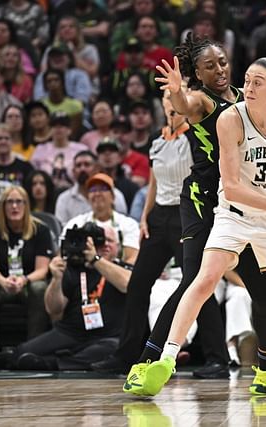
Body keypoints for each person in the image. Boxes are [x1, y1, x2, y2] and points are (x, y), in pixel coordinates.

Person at [102, 35, 266, 379]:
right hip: (207, 200)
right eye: (209, 66)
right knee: (196, 280)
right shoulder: (203, 100)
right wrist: (178, 92)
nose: (220, 70)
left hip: (253, 202)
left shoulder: (247, 99)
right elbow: (184, 106)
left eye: (223, 62)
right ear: (197, 72)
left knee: (264, 293)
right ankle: (151, 361)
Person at [92, 88, 193, 376]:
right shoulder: (156, 140)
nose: (172, 102)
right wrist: (146, 216)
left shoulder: (196, 136)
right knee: (138, 284)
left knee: (194, 285)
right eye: (168, 97)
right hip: (159, 216)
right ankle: (127, 355)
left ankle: (216, 357)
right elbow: (153, 182)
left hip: (185, 213)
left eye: (179, 95)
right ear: (161, 103)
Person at [0, 225, 131, 371]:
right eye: (100, 241)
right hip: (71, 332)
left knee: (112, 350)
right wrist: (56, 279)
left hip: (107, 337)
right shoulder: (73, 269)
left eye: (110, 240)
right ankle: (55, 360)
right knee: (22, 351)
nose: (105, 244)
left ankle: (53, 364)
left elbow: (127, 284)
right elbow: (53, 309)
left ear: (118, 247)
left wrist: (96, 260)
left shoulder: (124, 268)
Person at [0, 186, 52, 366]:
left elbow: (42, 269)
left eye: (19, 202)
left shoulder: (40, 230)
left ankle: (34, 345)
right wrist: (2, 280)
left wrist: (24, 280)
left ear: (27, 205)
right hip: (2, 284)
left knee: (40, 287)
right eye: (9, 202)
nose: (14, 206)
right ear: (2, 206)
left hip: (27, 284)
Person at [61, 173, 139, 265]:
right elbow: (62, 254)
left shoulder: (128, 224)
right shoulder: (77, 222)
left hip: (116, 274)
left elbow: (132, 258)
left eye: (103, 189)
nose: (97, 193)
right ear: (88, 197)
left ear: (113, 197)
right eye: (93, 190)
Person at [54, 150, 129, 224]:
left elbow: (122, 223)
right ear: (73, 171)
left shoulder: (115, 195)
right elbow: (61, 229)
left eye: (87, 165)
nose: (82, 169)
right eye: (78, 165)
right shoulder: (63, 199)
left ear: (97, 169)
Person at [30, 112, 87, 191]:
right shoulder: (40, 149)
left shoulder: (81, 149)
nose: (58, 129)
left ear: (69, 130)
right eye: (54, 126)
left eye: (62, 125)